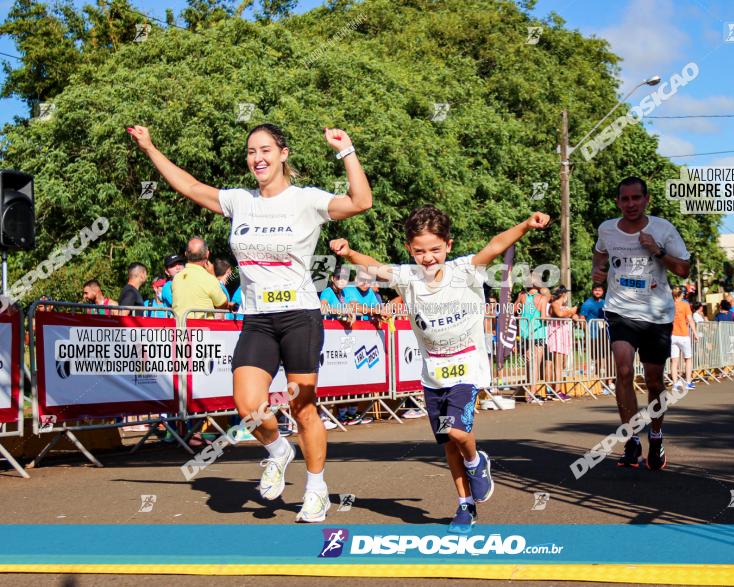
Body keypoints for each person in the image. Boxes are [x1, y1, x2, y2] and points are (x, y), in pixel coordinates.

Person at [129, 121, 372, 522]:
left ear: (283, 154)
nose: (257, 158)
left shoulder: (306, 200)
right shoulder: (240, 201)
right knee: (247, 406)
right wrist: (151, 148)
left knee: (304, 407)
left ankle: (316, 488)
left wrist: (346, 150)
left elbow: (361, 201)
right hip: (258, 318)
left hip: (299, 316)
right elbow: (189, 187)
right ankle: (279, 451)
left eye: (265, 150)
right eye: (251, 152)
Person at [330, 205, 550, 533]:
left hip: (467, 369)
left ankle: (477, 463)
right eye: (419, 251)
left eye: (435, 249)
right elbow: (376, 268)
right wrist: (348, 253)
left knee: (460, 432)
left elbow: (495, 244)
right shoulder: (409, 278)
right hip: (434, 376)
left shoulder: (465, 270)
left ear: (448, 245)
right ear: (409, 250)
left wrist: (525, 225)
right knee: (449, 440)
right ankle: (465, 505)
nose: (428, 257)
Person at [592, 176, 690, 471]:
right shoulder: (607, 229)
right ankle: (631, 439)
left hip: (657, 314)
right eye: (625, 199)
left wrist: (656, 251)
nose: (631, 204)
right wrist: (598, 271)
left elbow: (684, 269)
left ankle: (656, 435)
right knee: (622, 370)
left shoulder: (662, 229)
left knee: (654, 381)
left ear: (646, 200)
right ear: (618, 202)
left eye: (636, 198)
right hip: (621, 310)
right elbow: (599, 254)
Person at [171, 238, 230, 321]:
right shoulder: (209, 279)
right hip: (202, 330)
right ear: (207, 254)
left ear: (186, 254)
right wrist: (213, 275)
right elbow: (222, 304)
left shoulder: (177, 278)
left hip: (178, 329)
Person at [515, 280, 549, 398]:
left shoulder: (522, 297)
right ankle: (532, 392)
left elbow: (514, 310)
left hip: (525, 333)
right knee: (535, 363)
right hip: (538, 333)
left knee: (529, 363)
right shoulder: (542, 298)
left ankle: (529, 391)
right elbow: (543, 317)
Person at [546, 286, 580, 398]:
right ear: (563, 295)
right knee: (558, 365)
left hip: (564, 336)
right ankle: (557, 391)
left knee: (563, 364)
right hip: (556, 336)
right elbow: (560, 314)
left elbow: (573, 315)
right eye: (566, 294)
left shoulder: (565, 306)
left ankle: (557, 390)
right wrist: (571, 312)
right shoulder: (555, 304)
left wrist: (574, 315)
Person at [670, 286, 696, 390]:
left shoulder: (670, 306)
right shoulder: (685, 305)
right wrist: (695, 333)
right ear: (681, 295)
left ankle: (675, 384)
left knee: (674, 361)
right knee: (688, 359)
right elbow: (690, 320)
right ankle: (688, 382)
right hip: (684, 335)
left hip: (673, 335)